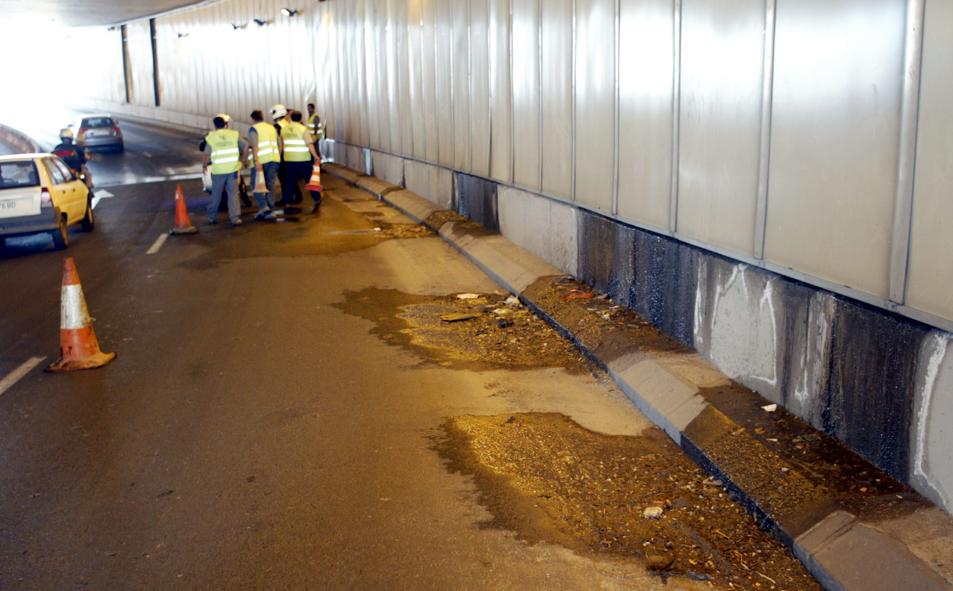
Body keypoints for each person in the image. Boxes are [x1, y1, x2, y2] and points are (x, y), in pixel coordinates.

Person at [202, 115, 247, 226]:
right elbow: (246, 146)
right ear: (225, 124)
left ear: (215, 125)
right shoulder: (234, 134)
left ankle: (212, 217)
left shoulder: (211, 136)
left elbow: (206, 154)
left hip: (218, 171)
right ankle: (235, 218)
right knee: (233, 194)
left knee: (216, 195)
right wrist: (245, 159)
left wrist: (204, 166)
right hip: (232, 169)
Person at [280, 110, 322, 213]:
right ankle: (317, 199)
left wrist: (281, 157)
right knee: (310, 181)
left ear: (291, 118)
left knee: (289, 182)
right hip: (303, 160)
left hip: (289, 160)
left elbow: (281, 145)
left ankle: (288, 203)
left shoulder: (284, 129)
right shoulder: (303, 129)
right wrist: (316, 156)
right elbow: (309, 144)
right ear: (300, 118)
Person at [248, 109, 279, 221]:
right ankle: (270, 209)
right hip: (274, 159)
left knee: (256, 185)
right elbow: (279, 143)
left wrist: (256, 161)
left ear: (253, 119)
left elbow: (255, 146)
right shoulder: (271, 127)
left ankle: (264, 207)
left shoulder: (254, 129)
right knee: (270, 184)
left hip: (261, 161)